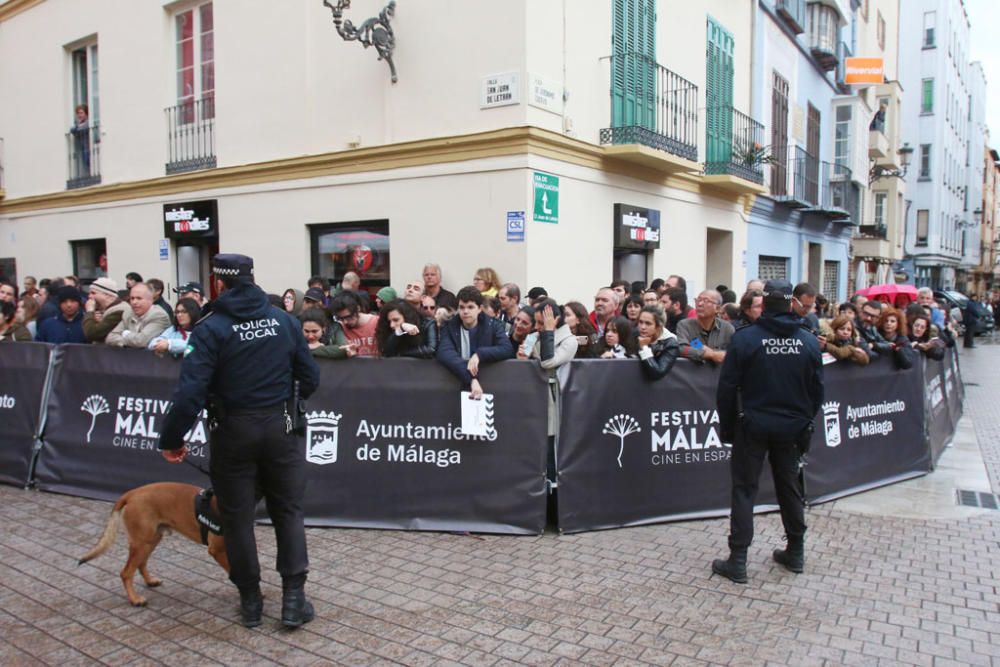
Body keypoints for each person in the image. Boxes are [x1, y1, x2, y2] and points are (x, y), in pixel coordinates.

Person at [158, 253, 320, 629]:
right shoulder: (283, 319)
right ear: (251, 278)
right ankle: (293, 599)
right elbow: (309, 376)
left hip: (233, 431)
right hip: (280, 426)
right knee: (288, 511)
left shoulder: (210, 328)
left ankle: (251, 602)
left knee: (237, 518)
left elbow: (189, 394)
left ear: (219, 283)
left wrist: (172, 438)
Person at [712, 279, 823, 584]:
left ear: (765, 304)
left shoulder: (746, 339)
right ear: (791, 304)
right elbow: (818, 392)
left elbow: (727, 386)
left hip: (754, 424)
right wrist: (804, 420)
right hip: (791, 427)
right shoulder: (809, 341)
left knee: (745, 488)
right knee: (789, 487)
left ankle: (738, 559)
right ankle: (796, 550)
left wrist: (728, 427)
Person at [436, 286, 514, 399]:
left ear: (480, 308)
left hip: (490, 386)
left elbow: (507, 349)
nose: (465, 311)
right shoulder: (449, 326)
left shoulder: (493, 325)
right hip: (455, 385)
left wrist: (479, 354)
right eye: (461, 307)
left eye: (470, 307)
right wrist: (472, 379)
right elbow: (444, 353)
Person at [311, 292, 379, 359]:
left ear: (358, 308)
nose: (345, 322)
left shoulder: (377, 322)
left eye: (348, 317)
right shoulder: (340, 327)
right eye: (341, 318)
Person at [676, 290, 734, 365]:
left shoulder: (727, 328)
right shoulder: (684, 325)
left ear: (717, 308)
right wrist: (711, 354)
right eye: (698, 300)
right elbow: (682, 349)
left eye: (706, 301)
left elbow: (734, 353)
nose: (700, 304)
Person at [106, 283, 171, 348]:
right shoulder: (128, 313)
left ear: (150, 300)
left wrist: (125, 334)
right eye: (132, 298)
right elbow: (110, 337)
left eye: (139, 298)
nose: (134, 302)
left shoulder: (159, 315)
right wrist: (128, 342)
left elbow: (140, 341)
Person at [636, 305, 680, 380]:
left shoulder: (671, 344)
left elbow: (657, 373)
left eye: (648, 323)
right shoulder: (634, 334)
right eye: (640, 322)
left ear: (659, 326)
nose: (642, 327)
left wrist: (644, 347)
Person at [83, 277, 131, 344]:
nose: (89, 296)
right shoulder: (105, 311)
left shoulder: (120, 311)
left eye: (93, 293)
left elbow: (93, 334)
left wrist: (89, 311)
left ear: (107, 295)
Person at [69, 103, 91, 175]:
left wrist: (76, 128)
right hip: (84, 147)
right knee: (86, 161)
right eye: (78, 113)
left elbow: (79, 129)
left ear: (86, 113)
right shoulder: (79, 124)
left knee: (88, 160)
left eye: (81, 113)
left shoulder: (88, 122)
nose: (79, 115)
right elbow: (73, 130)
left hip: (89, 147)